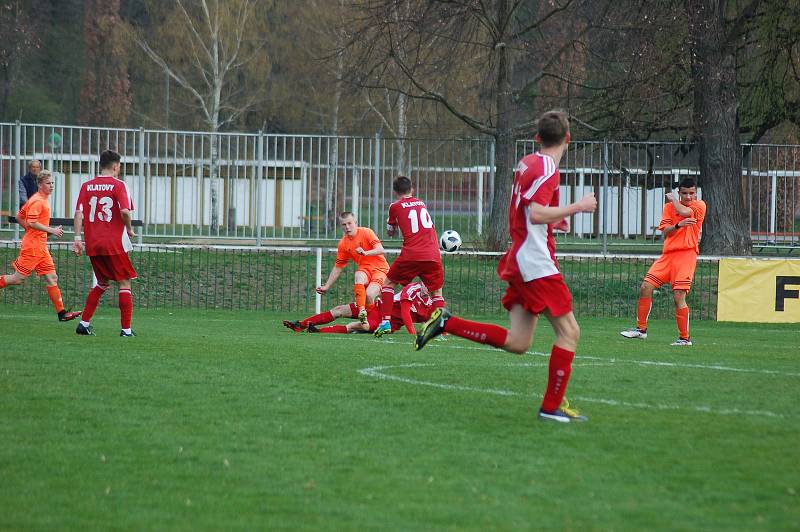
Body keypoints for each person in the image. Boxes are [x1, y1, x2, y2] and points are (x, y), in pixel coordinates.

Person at [414, 110, 598, 423]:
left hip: (522, 256)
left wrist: (557, 219)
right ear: (568, 138)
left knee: (519, 342)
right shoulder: (549, 168)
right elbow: (537, 213)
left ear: (537, 137)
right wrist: (577, 207)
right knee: (570, 332)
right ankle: (551, 408)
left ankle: (447, 323)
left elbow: (530, 211)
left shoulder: (529, 162)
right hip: (536, 262)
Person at [620, 177, 706, 346]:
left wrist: (674, 199)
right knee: (645, 287)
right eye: (684, 193)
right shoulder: (668, 208)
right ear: (679, 192)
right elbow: (666, 231)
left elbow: (685, 212)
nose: (688, 197)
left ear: (696, 193)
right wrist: (677, 226)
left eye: (691, 193)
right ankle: (641, 330)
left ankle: (684, 338)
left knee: (678, 295)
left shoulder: (699, 205)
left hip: (686, 254)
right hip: (668, 255)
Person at [72, 149, 137, 337]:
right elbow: (125, 211)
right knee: (124, 283)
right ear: (116, 166)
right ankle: (126, 330)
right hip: (113, 243)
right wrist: (130, 229)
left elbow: (79, 214)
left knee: (102, 282)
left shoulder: (87, 186)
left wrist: (77, 239)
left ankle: (84, 323)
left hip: (93, 243)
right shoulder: (119, 185)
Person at [0, 170, 81, 322]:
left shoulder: (39, 199)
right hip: (32, 247)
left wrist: (33, 232)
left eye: (52, 183)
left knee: (52, 278)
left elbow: (19, 217)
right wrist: (51, 230)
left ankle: (62, 314)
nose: (52, 186)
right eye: (48, 183)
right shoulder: (38, 201)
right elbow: (31, 222)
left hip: (40, 247)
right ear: (40, 185)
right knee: (17, 279)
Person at [374, 176, 445, 337]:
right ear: (412, 189)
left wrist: (391, 225)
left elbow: (391, 232)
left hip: (412, 253)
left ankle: (385, 322)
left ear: (395, 191)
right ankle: (437, 328)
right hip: (433, 253)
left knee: (389, 283)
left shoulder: (395, 206)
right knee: (437, 292)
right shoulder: (421, 203)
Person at [316, 212, 390, 323]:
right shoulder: (343, 244)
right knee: (358, 275)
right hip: (365, 270)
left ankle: (372, 319)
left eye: (349, 223)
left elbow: (380, 249)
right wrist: (326, 286)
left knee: (369, 295)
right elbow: (338, 267)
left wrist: (365, 253)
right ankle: (362, 312)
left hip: (381, 270)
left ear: (355, 222)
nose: (347, 227)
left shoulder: (366, 232)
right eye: (344, 224)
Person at [284, 282, 433, 334]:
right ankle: (300, 325)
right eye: (425, 281)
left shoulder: (429, 305)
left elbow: (432, 319)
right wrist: (413, 333)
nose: (426, 285)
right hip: (377, 307)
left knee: (361, 325)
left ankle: (317, 331)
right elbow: (406, 312)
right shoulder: (413, 288)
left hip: (385, 323)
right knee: (340, 309)